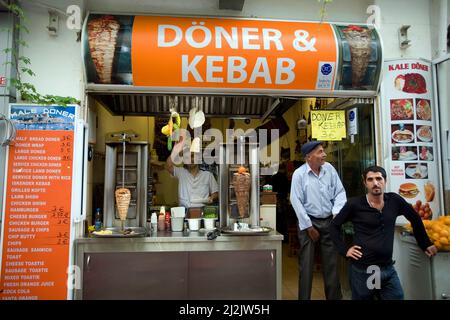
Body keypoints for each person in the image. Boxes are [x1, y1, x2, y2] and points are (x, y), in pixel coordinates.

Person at [329, 165, 437, 300]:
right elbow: (333, 226)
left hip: (387, 268)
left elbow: (415, 218)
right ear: (364, 183)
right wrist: (345, 250)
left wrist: (425, 243)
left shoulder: (394, 200)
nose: (375, 183)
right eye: (370, 179)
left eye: (379, 178)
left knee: (396, 296)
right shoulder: (355, 204)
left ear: (385, 181)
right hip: (365, 270)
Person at [290, 141, 347, 300]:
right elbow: (296, 201)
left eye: (323, 151)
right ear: (309, 157)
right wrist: (309, 227)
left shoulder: (329, 169)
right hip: (308, 221)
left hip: (329, 220)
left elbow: (340, 193)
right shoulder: (299, 174)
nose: (324, 154)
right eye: (320, 152)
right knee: (306, 266)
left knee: (331, 265)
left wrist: (336, 213)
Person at [166, 137, 218, 208]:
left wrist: (211, 198)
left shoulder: (208, 175)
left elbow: (215, 193)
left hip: (202, 211)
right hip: (184, 211)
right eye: (187, 157)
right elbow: (168, 165)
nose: (190, 159)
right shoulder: (181, 173)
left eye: (193, 156)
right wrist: (176, 151)